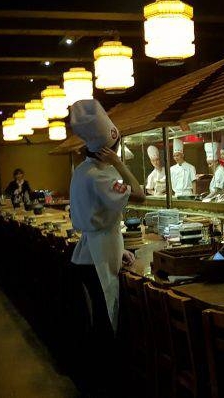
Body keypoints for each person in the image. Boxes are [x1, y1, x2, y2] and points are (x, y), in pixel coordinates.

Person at [68, 99, 145, 332]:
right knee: (106, 321)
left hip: (89, 253)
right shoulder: (99, 177)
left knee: (98, 318)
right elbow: (140, 195)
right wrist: (119, 164)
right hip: (97, 259)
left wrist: (118, 251)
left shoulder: (82, 170)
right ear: (109, 150)